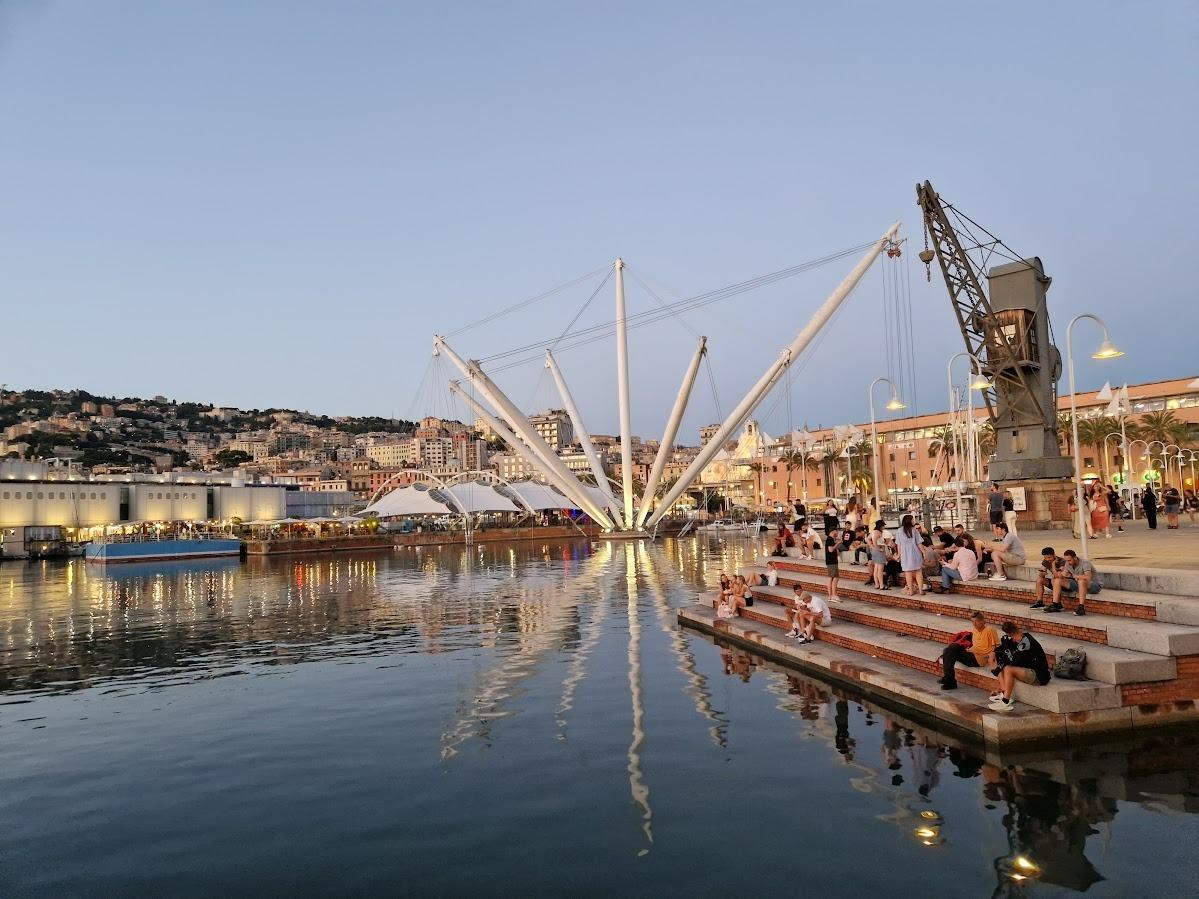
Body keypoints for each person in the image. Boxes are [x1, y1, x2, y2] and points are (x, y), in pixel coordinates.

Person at [990, 621, 1051, 712]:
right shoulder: (1017, 639)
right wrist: (994, 652)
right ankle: (1005, 693)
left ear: (1009, 634)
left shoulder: (1027, 643)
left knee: (1008, 669)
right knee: (1000, 662)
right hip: (1027, 669)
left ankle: (1005, 702)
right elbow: (1003, 652)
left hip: (1039, 675)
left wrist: (1006, 647)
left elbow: (1013, 661)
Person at [938, 611, 1001, 691]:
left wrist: (990, 656)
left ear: (982, 621)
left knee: (949, 651)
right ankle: (949, 681)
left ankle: (950, 680)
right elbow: (976, 645)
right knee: (948, 650)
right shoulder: (975, 630)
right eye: (973, 622)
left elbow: (997, 647)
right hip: (971, 653)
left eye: (976, 621)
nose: (974, 624)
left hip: (979, 659)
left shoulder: (990, 630)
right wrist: (968, 650)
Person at [1050, 549, 1103, 616]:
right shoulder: (1067, 563)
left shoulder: (1085, 563)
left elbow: (1088, 577)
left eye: (1069, 560)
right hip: (1079, 585)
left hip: (1094, 586)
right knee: (1057, 580)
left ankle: (1081, 608)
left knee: (1081, 581)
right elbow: (1064, 574)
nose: (1068, 562)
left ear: (1075, 557)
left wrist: (1071, 576)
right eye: (1066, 560)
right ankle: (1056, 605)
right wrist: (1060, 574)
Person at [895, 514, 926, 595]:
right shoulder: (914, 530)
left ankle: (911, 591)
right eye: (912, 520)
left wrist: (899, 555)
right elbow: (919, 543)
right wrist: (923, 552)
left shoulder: (899, 531)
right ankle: (921, 590)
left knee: (908, 573)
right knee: (918, 572)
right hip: (915, 552)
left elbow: (898, 544)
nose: (913, 521)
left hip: (905, 554)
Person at [867, 519, 890, 589]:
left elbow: (867, 539)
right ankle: (881, 585)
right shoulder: (877, 533)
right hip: (879, 551)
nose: (884, 527)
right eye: (883, 526)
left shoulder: (873, 532)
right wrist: (877, 548)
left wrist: (872, 546)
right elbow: (874, 540)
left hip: (875, 551)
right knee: (880, 569)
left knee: (876, 568)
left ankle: (877, 584)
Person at [824, 527, 842, 601]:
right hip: (832, 561)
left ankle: (830, 595)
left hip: (830, 561)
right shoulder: (830, 539)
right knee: (835, 577)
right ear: (833, 531)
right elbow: (830, 550)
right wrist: (838, 543)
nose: (837, 533)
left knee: (831, 577)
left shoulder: (830, 539)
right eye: (836, 531)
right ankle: (833, 595)